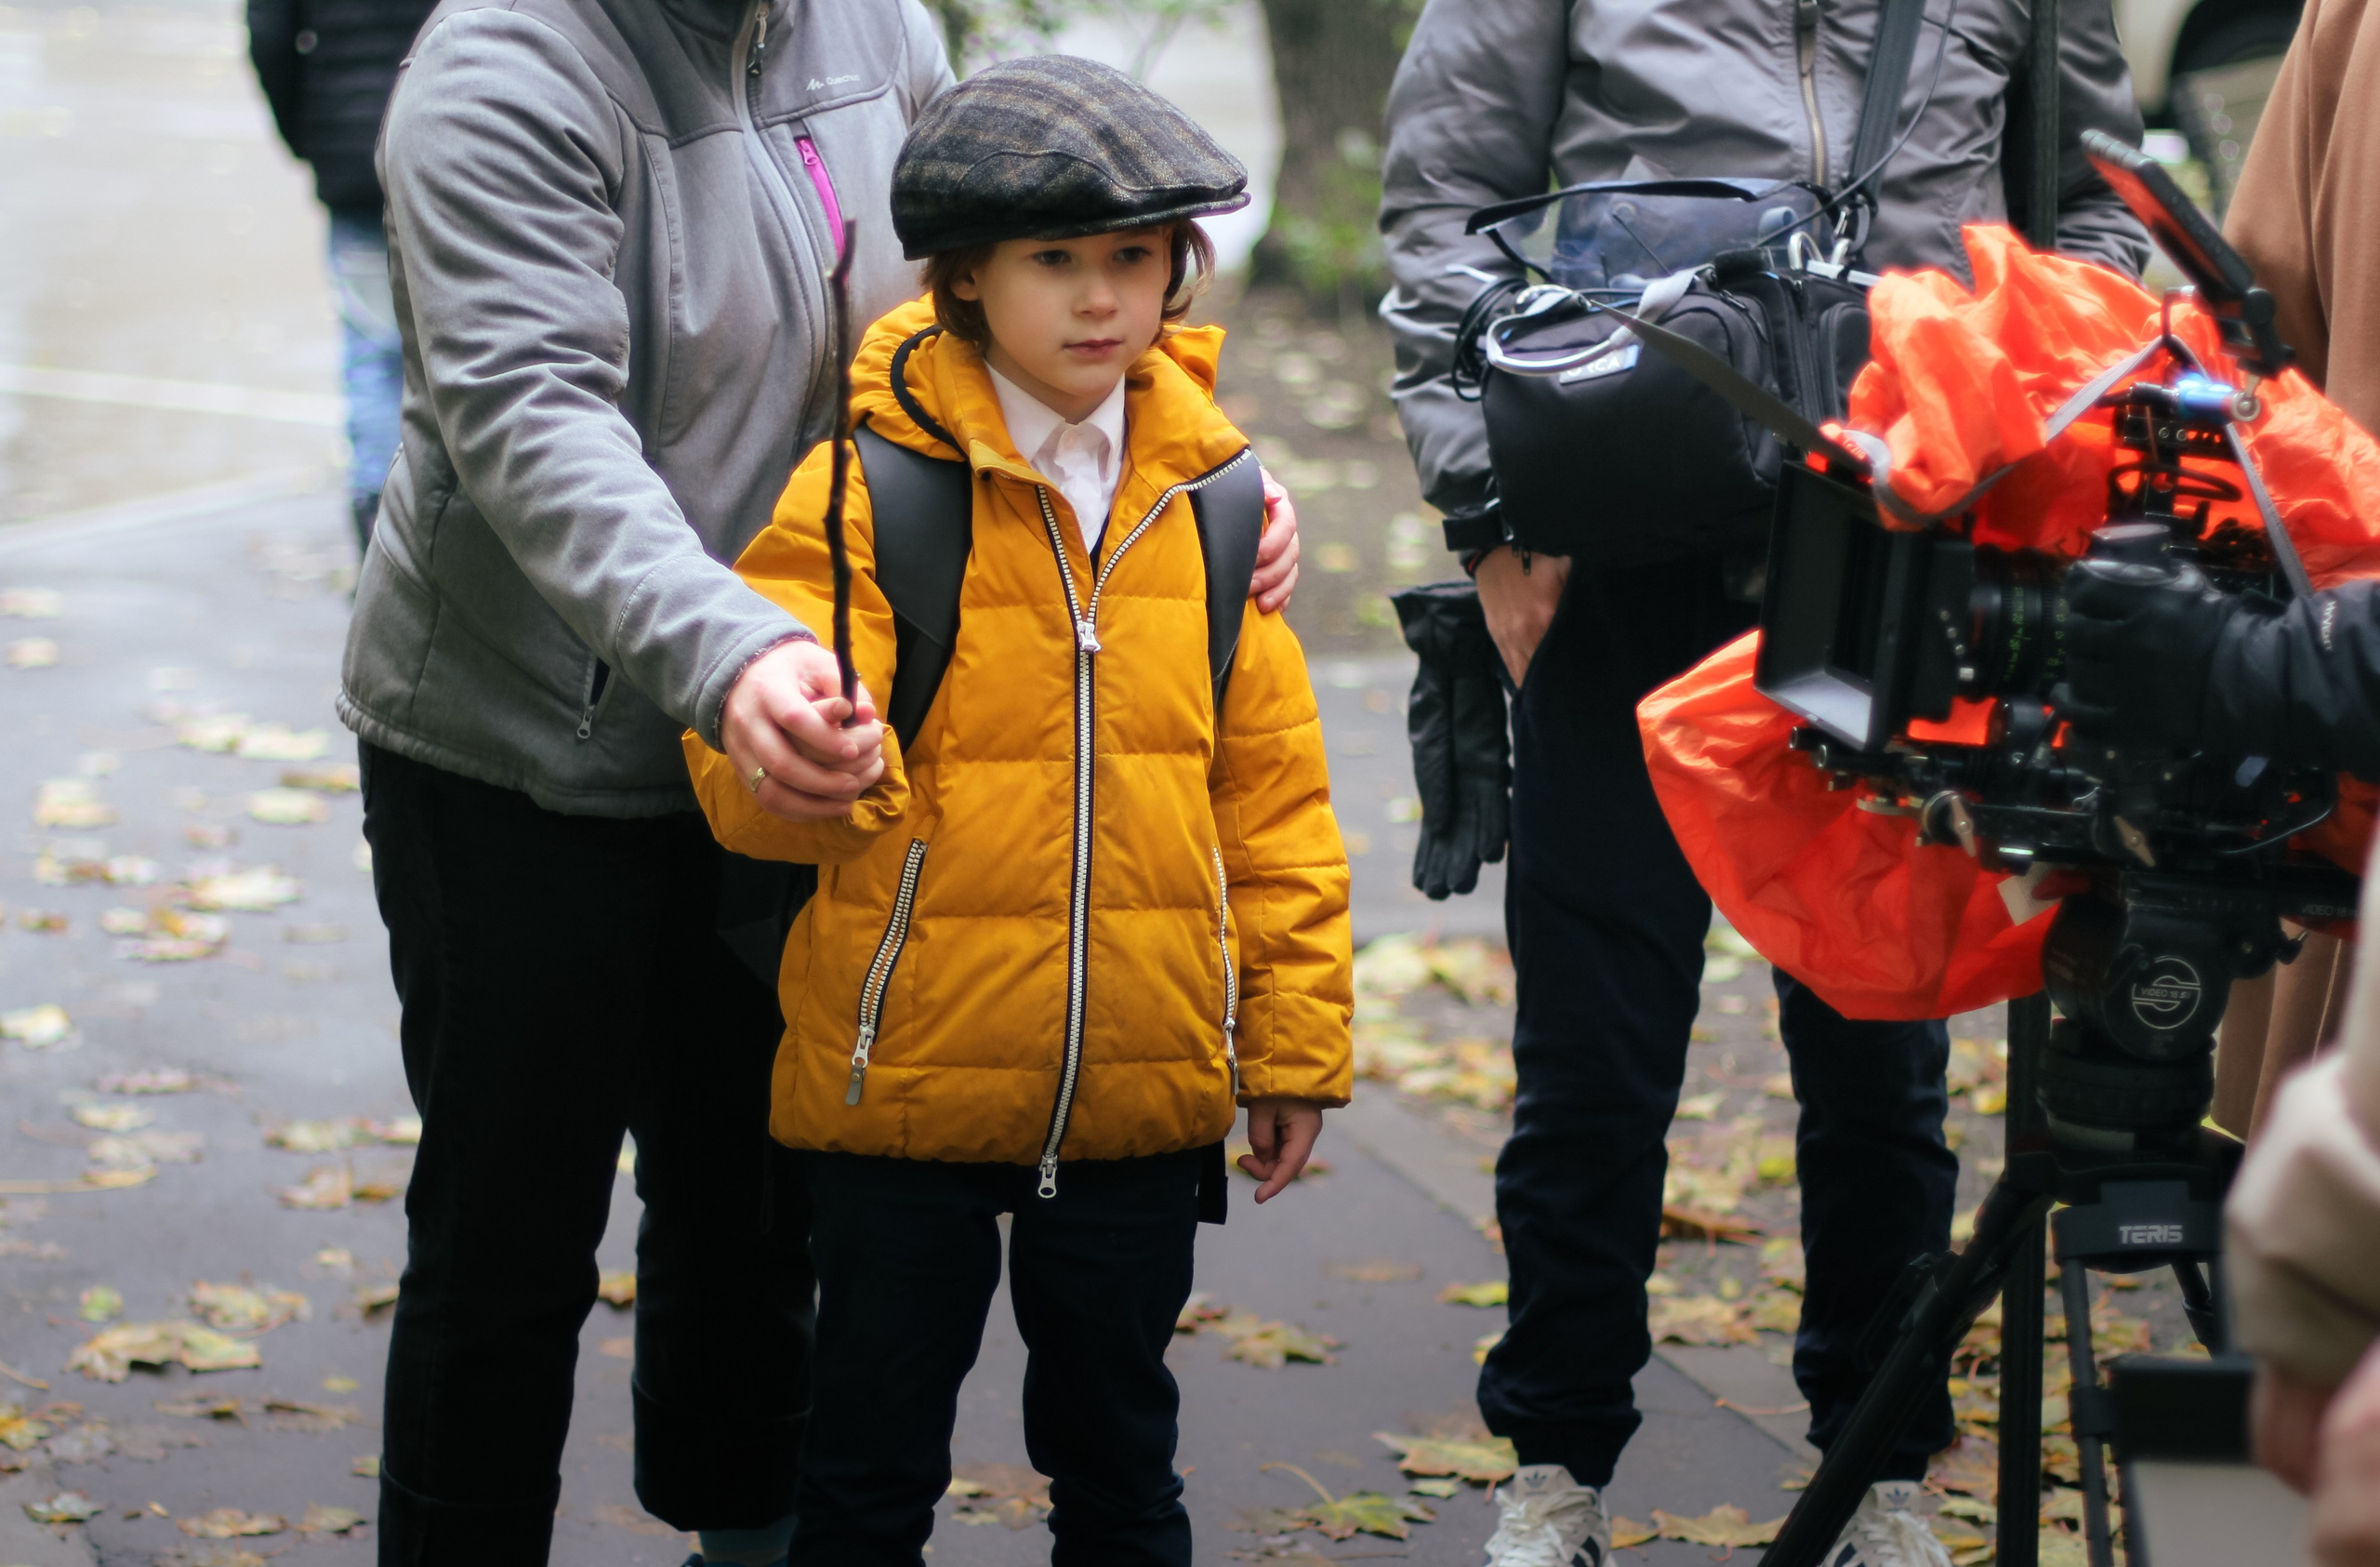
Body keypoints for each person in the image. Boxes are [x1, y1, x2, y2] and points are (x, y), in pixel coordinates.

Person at [1377, 4, 2151, 1562]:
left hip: (1901, 519)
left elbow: (2094, 215)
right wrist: (1490, 505)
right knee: (1596, 1036)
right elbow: (1445, 203)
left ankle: (1882, 1466)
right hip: (1623, 514)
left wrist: (2039, 438)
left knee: (1884, 1043)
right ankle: (1555, 1464)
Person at [680, 55, 1355, 1566]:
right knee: (866, 1474)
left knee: (1125, 1469)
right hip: (900, 1084)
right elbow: (745, 779)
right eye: (1055, 258)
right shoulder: (866, 491)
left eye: (1136, 256)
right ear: (968, 275)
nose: (1101, 298)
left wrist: (1291, 1039)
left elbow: (1272, 802)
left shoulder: (1216, 503)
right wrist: (806, 757)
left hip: (1136, 1089)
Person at [245, 0, 437, 550]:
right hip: (444, 150)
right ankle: (450, 524)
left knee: (374, 355)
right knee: (461, 345)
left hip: (354, 156)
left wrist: (310, 135)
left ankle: (379, 533)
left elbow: (268, 36)